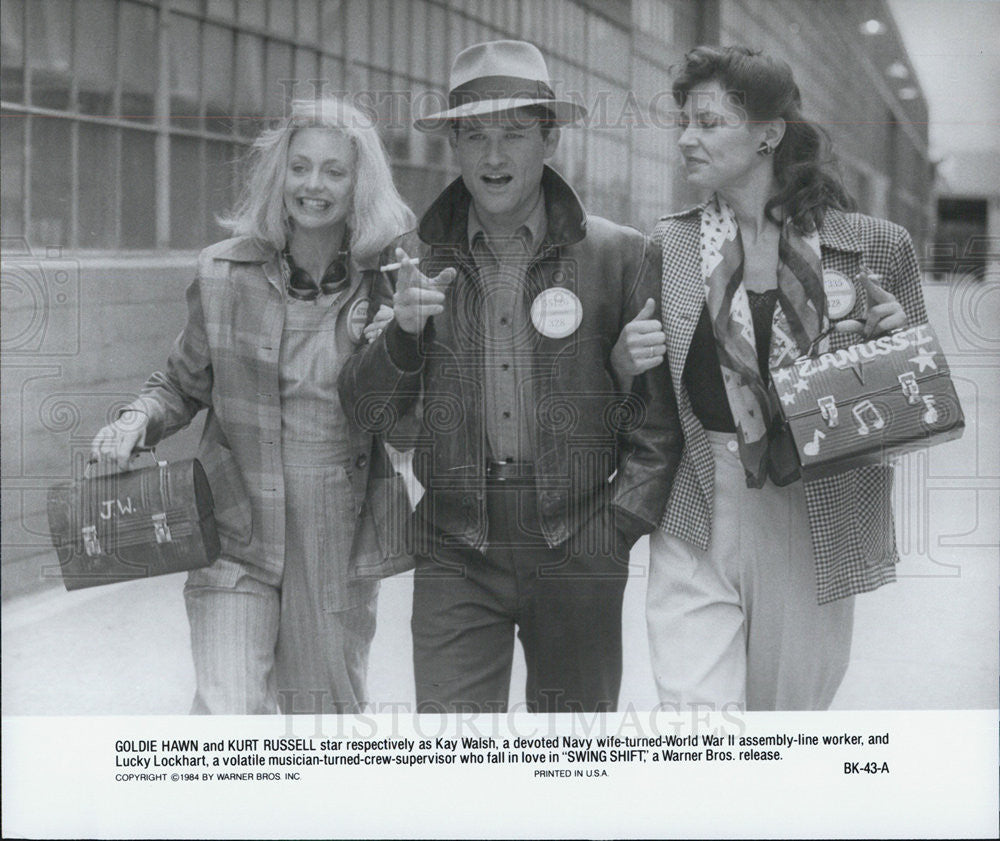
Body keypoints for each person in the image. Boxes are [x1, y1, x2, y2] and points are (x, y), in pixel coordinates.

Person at [339, 40, 682, 714]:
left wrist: (612, 532)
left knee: (571, 760)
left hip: (578, 537)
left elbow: (657, 427)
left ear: (550, 138)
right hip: (455, 543)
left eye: (515, 133)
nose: (494, 156)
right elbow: (366, 410)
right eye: (475, 136)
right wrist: (402, 335)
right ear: (454, 146)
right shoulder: (407, 262)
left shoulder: (618, 255)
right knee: (455, 760)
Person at [612, 45, 928, 711]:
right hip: (699, 501)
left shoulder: (874, 246)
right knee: (695, 729)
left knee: (787, 727)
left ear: (768, 135)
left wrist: (894, 347)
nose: (687, 139)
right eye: (684, 123)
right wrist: (622, 362)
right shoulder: (668, 246)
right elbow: (638, 401)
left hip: (813, 503)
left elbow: (916, 412)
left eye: (708, 122)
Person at [90, 96, 416, 714]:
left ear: (359, 186)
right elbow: (181, 384)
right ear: (279, 174)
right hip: (234, 525)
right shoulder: (223, 273)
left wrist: (398, 349)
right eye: (300, 167)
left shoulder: (389, 285)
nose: (312, 185)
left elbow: (407, 431)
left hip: (338, 534)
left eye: (334, 171)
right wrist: (137, 419)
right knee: (228, 717)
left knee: (322, 726)